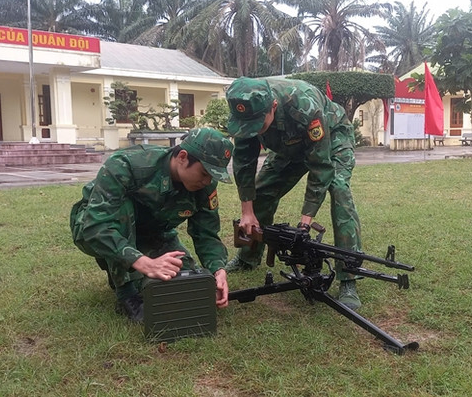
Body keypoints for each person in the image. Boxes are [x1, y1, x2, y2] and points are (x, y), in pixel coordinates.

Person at [223, 76, 363, 310]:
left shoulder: (304, 105)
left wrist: (305, 223)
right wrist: (246, 211)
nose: (253, 130)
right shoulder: (247, 111)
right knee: (262, 191)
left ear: (273, 107)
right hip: (289, 144)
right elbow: (243, 162)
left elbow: (320, 165)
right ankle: (248, 257)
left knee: (339, 190)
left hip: (332, 136)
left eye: (258, 124)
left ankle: (348, 277)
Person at [70, 128, 233, 322]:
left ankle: (127, 266)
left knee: (185, 277)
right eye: (205, 173)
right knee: (124, 209)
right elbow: (96, 226)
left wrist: (217, 270)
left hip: (152, 230)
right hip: (94, 226)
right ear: (182, 157)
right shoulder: (127, 165)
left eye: (213, 176)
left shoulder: (204, 187)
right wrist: (144, 263)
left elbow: (206, 234)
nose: (207, 181)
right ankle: (126, 293)